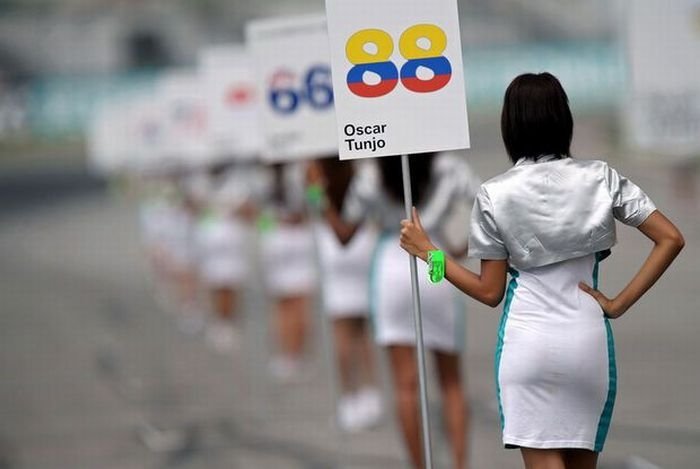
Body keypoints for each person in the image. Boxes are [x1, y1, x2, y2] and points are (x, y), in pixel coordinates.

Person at [399, 72, 685, 469]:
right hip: (588, 343)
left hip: (527, 344)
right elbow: (671, 238)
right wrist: (618, 304)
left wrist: (430, 254)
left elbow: (489, 292)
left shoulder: (494, 194)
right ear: (562, 119)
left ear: (509, 125)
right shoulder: (600, 177)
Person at [343, 152, 481, 469]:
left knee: (405, 385)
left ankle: (419, 465)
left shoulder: (370, 172)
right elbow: (485, 200)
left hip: (394, 259)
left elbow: (351, 213)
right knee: (451, 381)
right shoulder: (448, 166)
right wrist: (463, 243)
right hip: (434, 259)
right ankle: (460, 464)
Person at [307, 157, 382, 432]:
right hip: (361, 246)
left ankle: (349, 398)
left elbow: (313, 206)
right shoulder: (358, 175)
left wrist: (316, 188)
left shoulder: (318, 180)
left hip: (334, 246)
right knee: (362, 330)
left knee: (342, 333)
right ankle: (370, 393)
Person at [260, 162, 316, 381]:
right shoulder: (300, 173)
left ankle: (289, 353)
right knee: (297, 303)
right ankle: (294, 352)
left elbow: (259, 212)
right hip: (295, 236)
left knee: (285, 304)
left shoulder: (266, 176)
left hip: (276, 236)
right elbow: (314, 202)